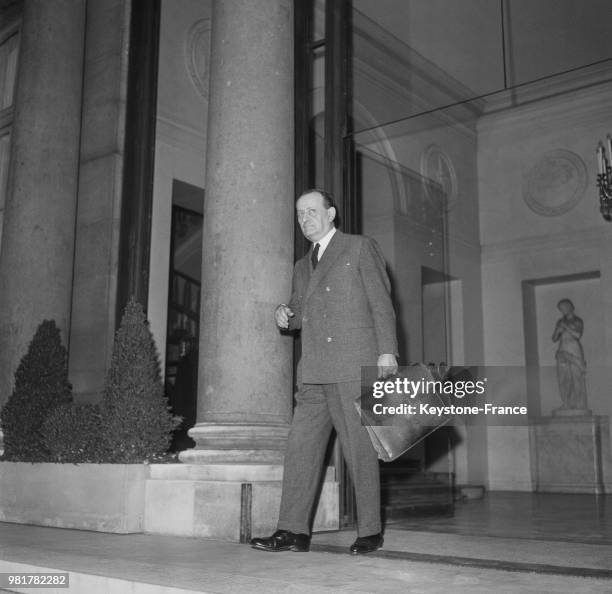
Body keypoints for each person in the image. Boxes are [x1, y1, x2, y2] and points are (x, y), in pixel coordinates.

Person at [250, 189, 398, 555]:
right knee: (299, 449)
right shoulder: (302, 266)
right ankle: (292, 531)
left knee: (360, 451)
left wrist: (388, 352)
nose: (305, 219)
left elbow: (382, 304)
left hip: (352, 362)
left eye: (312, 211)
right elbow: (301, 311)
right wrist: (286, 314)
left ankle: (370, 530)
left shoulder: (360, 247)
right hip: (314, 369)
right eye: (300, 214)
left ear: (331, 213)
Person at [552, 298, 587, 410]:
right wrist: (558, 330)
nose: (563, 311)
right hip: (562, 351)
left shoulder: (577, 321)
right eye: (561, 309)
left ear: (570, 307)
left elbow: (577, 335)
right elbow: (554, 338)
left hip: (574, 350)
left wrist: (566, 327)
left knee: (577, 378)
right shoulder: (560, 322)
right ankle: (566, 403)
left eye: (564, 308)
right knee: (564, 379)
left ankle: (580, 405)